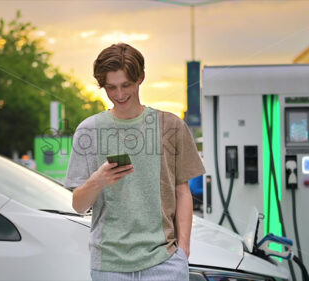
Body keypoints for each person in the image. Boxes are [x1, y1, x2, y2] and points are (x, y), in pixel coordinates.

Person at [64, 43, 205, 281]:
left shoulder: (171, 126)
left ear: (141, 78)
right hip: (109, 266)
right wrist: (97, 181)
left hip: (165, 264)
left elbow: (183, 191)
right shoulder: (89, 130)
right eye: (111, 88)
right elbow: (78, 205)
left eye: (126, 85)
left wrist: (183, 250)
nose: (119, 95)